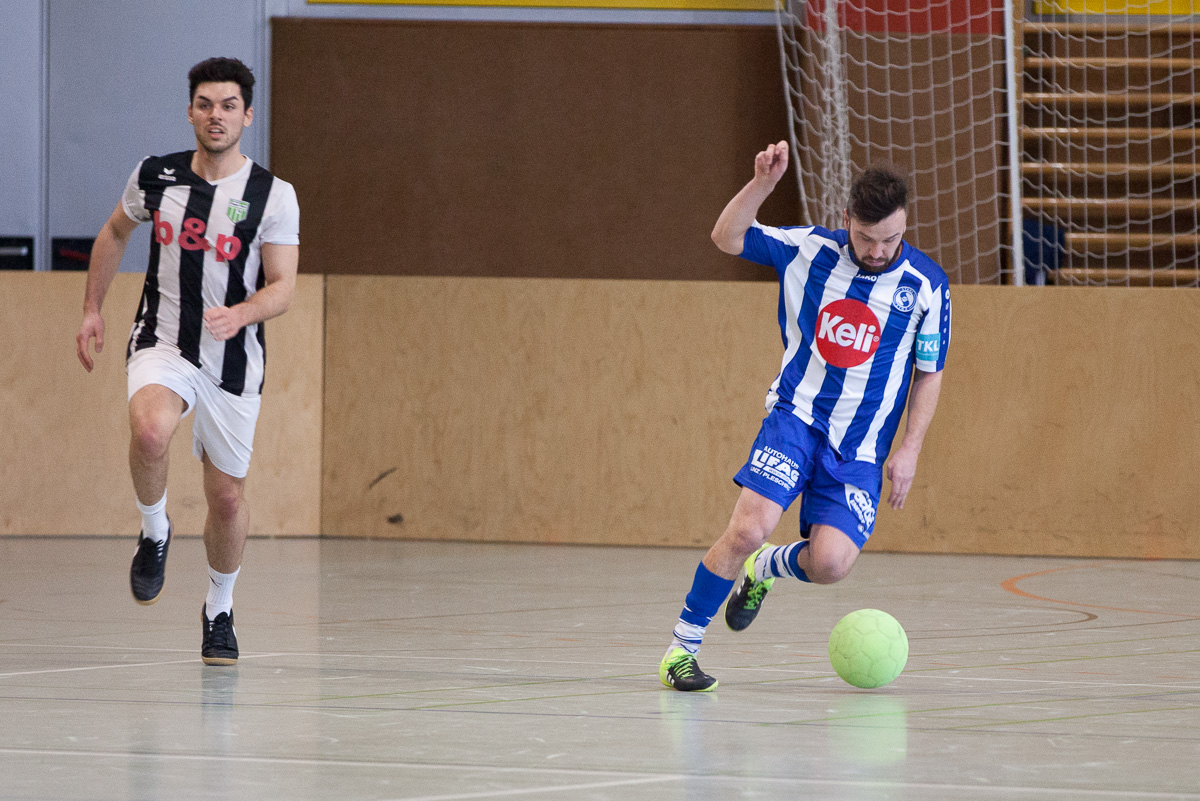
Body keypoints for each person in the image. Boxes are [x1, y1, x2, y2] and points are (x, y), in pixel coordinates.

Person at [659, 141, 950, 691]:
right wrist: (762, 185)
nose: (878, 250)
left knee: (831, 564)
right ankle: (682, 650)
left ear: (904, 225)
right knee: (748, 529)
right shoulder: (808, 251)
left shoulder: (927, 286)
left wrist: (910, 449)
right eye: (866, 238)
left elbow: (929, 372)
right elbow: (726, 238)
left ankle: (765, 568)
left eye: (890, 239)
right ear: (846, 220)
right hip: (795, 421)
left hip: (859, 449)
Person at [75, 57, 300, 666]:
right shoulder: (156, 175)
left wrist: (243, 313)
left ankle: (219, 608)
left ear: (247, 116)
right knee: (151, 431)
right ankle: (155, 530)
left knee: (226, 499)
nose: (215, 115)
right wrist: (93, 308)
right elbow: (114, 233)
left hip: (233, 357)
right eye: (205, 104)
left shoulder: (273, 195)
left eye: (228, 105)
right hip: (164, 339)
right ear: (190, 111)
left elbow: (283, 286)